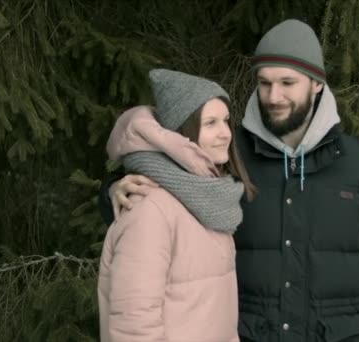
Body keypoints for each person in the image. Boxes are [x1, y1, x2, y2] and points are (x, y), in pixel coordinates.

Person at [100, 20, 359, 342]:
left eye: (287, 83)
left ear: (317, 84)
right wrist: (112, 188)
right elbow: (163, 181)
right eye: (264, 83)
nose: (273, 96)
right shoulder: (226, 155)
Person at [97, 68, 255, 342]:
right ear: (182, 134)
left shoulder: (210, 202)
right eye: (210, 123)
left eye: (226, 121)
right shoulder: (150, 210)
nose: (226, 134)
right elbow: (135, 327)